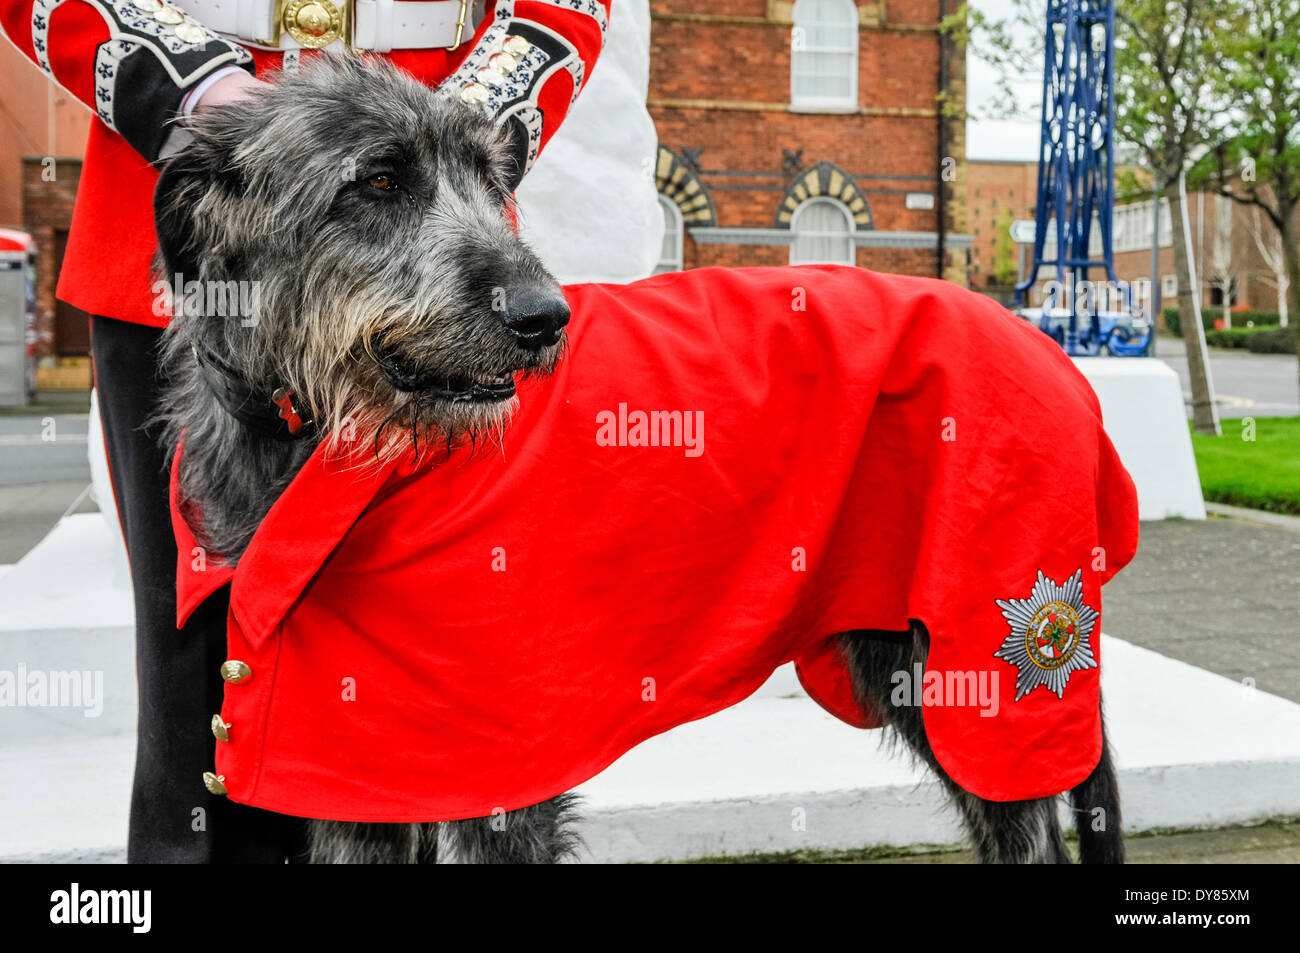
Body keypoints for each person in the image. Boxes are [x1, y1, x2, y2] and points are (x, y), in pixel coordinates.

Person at [0, 0, 614, 863]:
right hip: (206, 225)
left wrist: (460, 122)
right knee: (206, 714)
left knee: (444, 708)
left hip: (426, 251)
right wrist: (200, 94)